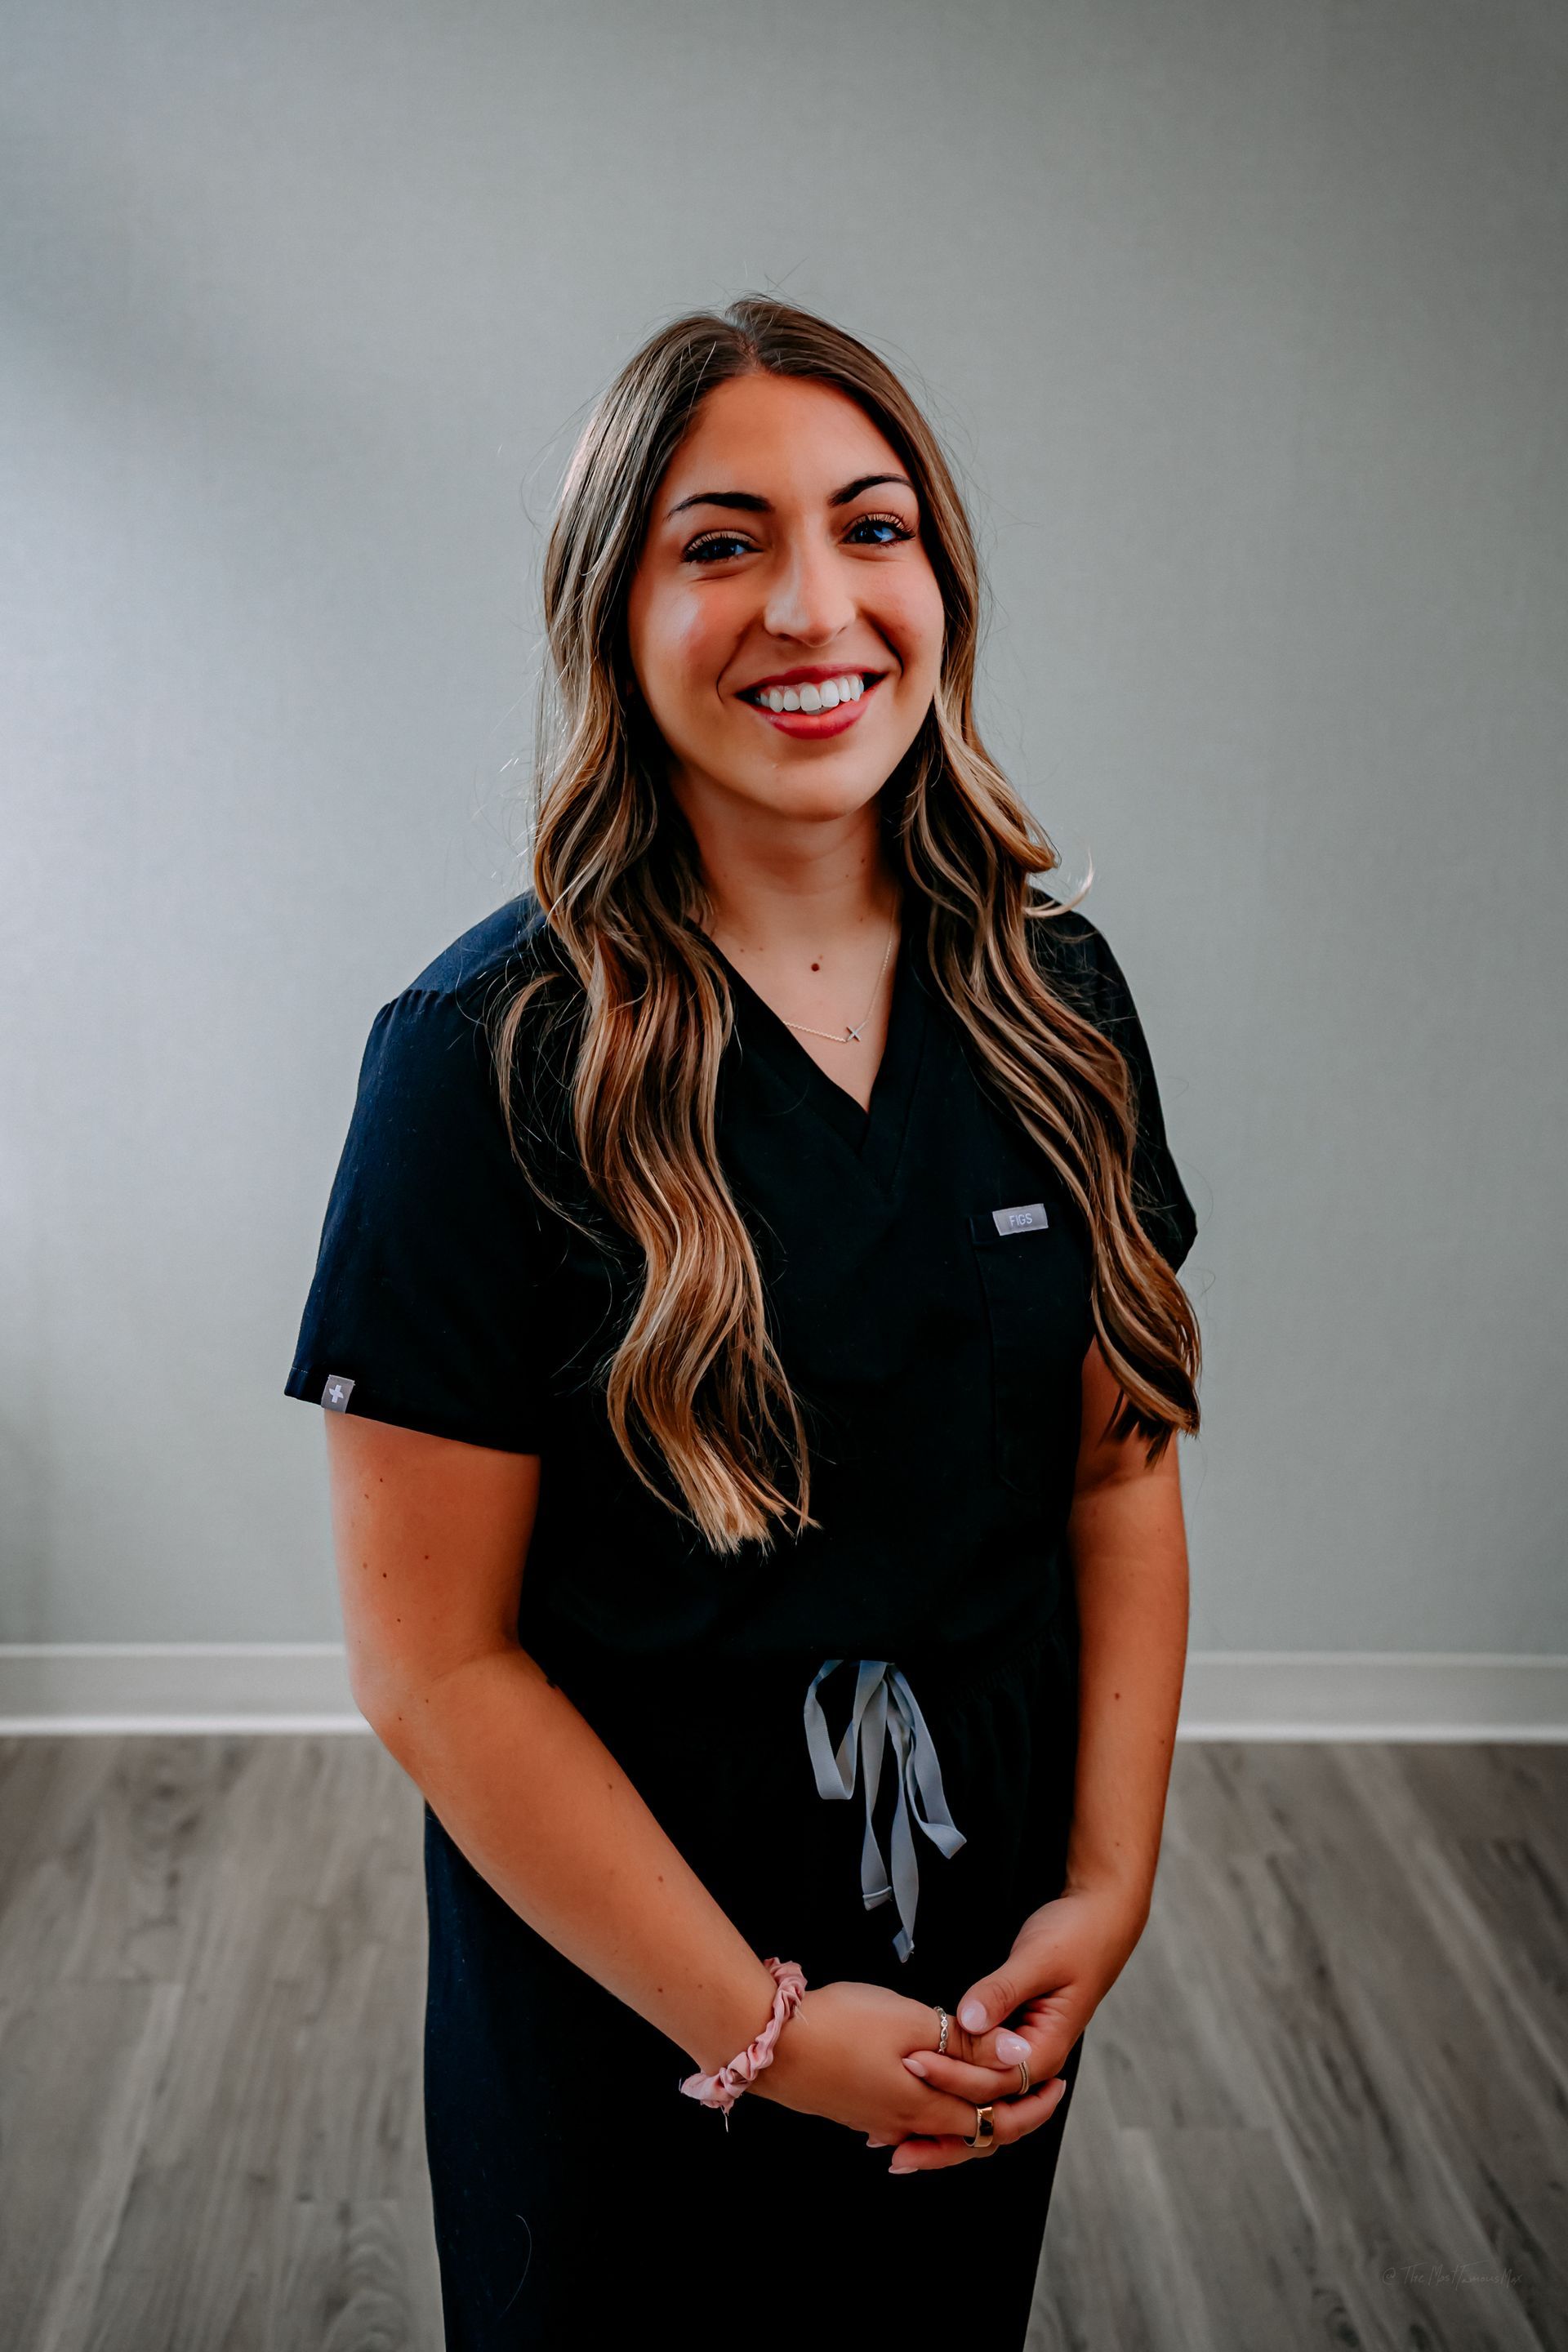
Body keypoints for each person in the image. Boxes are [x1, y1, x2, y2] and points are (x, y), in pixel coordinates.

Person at [284, 294, 1202, 2350]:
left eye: (872, 530)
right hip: (635, 1994)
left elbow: (1118, 1490)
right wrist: (766, 2032)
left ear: (940, 586)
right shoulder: (478, 1061)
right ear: (611, 609)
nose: (816, 604)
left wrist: (1107, 1888)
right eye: (723, 542)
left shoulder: (1059, 1006)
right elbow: (433, 1663)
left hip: (984, 1972)